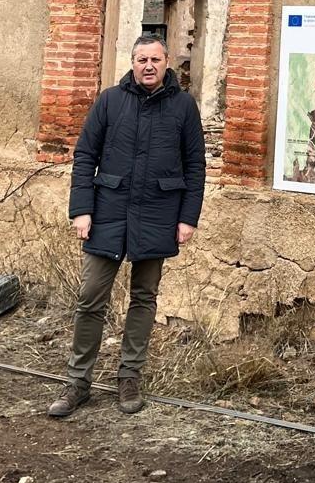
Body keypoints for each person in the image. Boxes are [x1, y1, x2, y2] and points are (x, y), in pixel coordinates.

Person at [47, 33, 205, 418]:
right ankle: (77, 383)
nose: (147, 66)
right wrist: (81, 209)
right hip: (108, 212)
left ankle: (129, 378)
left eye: (154, 59)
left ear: (167, 62)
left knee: (144, 298)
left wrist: (187, 218)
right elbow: (85, 155)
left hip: (157, 213)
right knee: (90, 298)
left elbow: (195, 165)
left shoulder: (184, 107)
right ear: (132, 63)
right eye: (140, 60)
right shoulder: (110, 101)